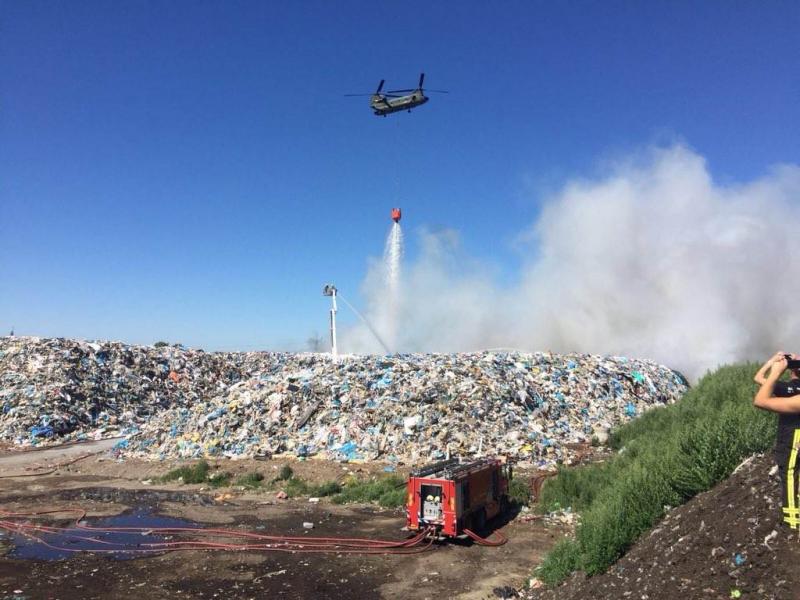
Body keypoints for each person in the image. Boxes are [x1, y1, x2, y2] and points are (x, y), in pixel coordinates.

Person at [753, 352, 800, 527]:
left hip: (792, 437)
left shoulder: (787, 388)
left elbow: (760, 395)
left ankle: (793, 524)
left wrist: (774, 367)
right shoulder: (788, 388)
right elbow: (758, 378)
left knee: (789, 475)